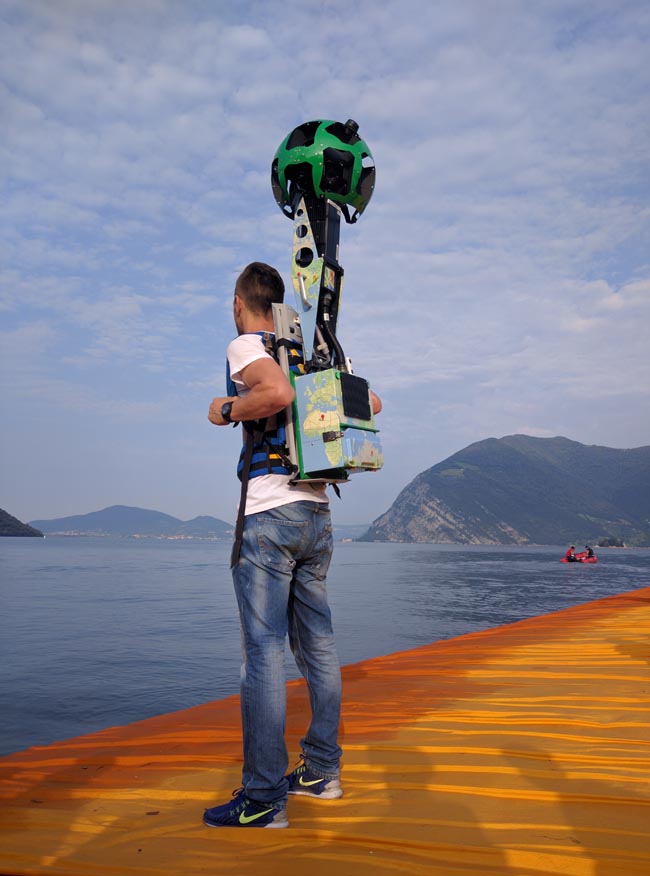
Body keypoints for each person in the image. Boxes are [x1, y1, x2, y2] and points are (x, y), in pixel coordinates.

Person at [204, 262, 381, 829]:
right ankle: (321, 773)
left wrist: (226, 408)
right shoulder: (308, 353)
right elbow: (372, 404)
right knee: (319, 649)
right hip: (318, 513)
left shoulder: (246, 346)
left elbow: (273, 392)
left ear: (240, 303)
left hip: (271, 514)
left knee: (263, 655)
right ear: (282, 304)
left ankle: (261, 799)